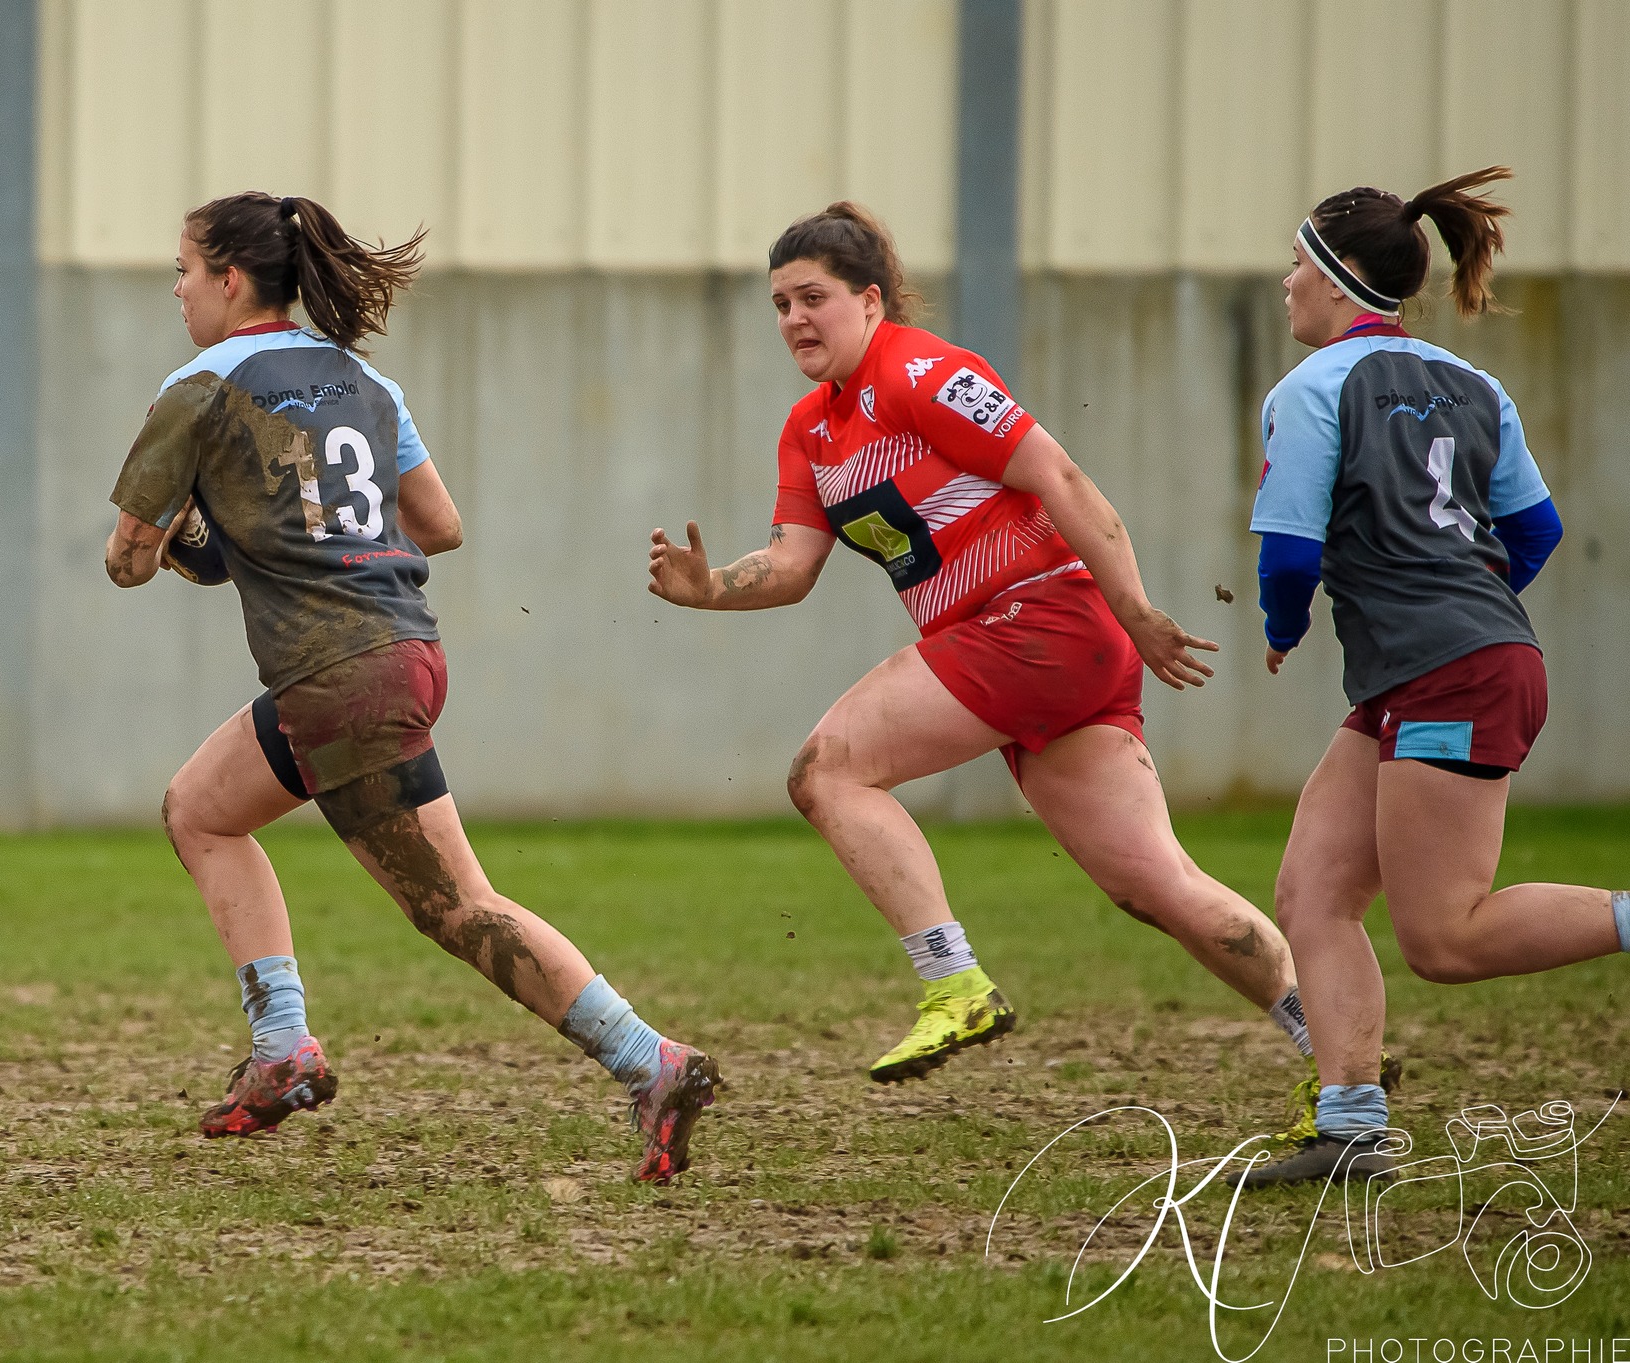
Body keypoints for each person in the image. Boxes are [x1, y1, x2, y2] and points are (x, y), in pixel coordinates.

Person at [105, 192, 720, 1183]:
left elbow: (126, 560)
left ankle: (651, 1060)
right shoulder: (359, 380)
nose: (174, 289)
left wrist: (187, 538)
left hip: (338, 677)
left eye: (181, 269)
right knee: (200, 809)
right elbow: (437, 523)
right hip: (397, 653)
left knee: (457, 907)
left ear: (229, 280)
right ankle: (282, 1049)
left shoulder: (195, 388)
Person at [648, 202, 1317, 1087]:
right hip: (1026, 647)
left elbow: (1058, 474)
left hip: (1040, 621)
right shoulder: (811, 429)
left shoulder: (922, 371)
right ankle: (1338, 1049)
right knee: (1156, 885)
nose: (794, 320)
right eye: (779, 305)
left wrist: (1138, 607)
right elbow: (791, 564)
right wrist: (710, 588)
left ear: (873, 301)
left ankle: (953, 981)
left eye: (813, 297)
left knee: (828, 770)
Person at [1237, 167, 1628, 1187]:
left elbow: (1284, 557)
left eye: (1293, 263)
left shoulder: (1309, 390)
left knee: (1443, 937)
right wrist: (1470, 601)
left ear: (1332, 277)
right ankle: (1349, 1127)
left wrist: (1282, 629)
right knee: (1311, 890)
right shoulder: (1473, 383)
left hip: (1445, 671)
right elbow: (1533, 529)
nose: (1283, 283)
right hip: (1444, 664)